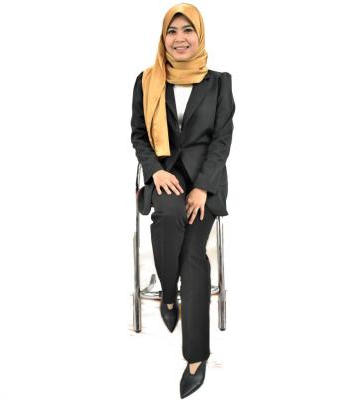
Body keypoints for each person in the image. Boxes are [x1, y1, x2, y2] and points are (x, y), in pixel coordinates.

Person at [130, 3, 235, 398]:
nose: (179, 38)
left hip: (205, 182)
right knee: (167, 217)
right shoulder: (146, 80)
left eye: (187, 30)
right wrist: (154, 171)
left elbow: (221, 140)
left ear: (199, 34)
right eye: (171, 31)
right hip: (163, 176)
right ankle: (169, 293)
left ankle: (196, 356)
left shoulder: (220, 83)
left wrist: (203, 187)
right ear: (164, 37)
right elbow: (139, 134)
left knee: (193, 253)